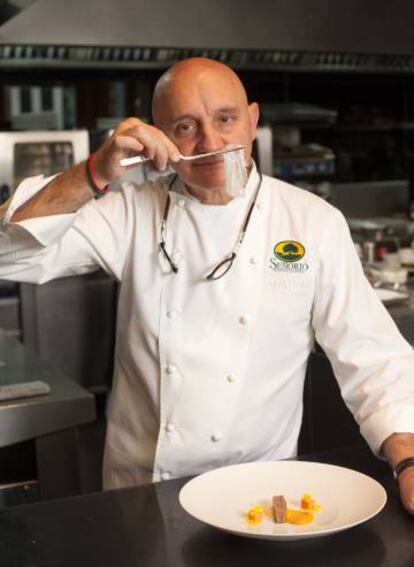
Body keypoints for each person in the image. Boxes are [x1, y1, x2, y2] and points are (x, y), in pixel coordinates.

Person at [1, 58, 414, 514]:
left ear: (253, 120)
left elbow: (372, 356)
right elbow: (9, 254)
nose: (211, 143)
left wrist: (409, 462)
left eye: (225, 119)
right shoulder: (129, 212)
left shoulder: (312, 221)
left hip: (259, 489)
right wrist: (94, 172)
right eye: (185, 127)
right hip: (144, 494)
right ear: (158, 139)